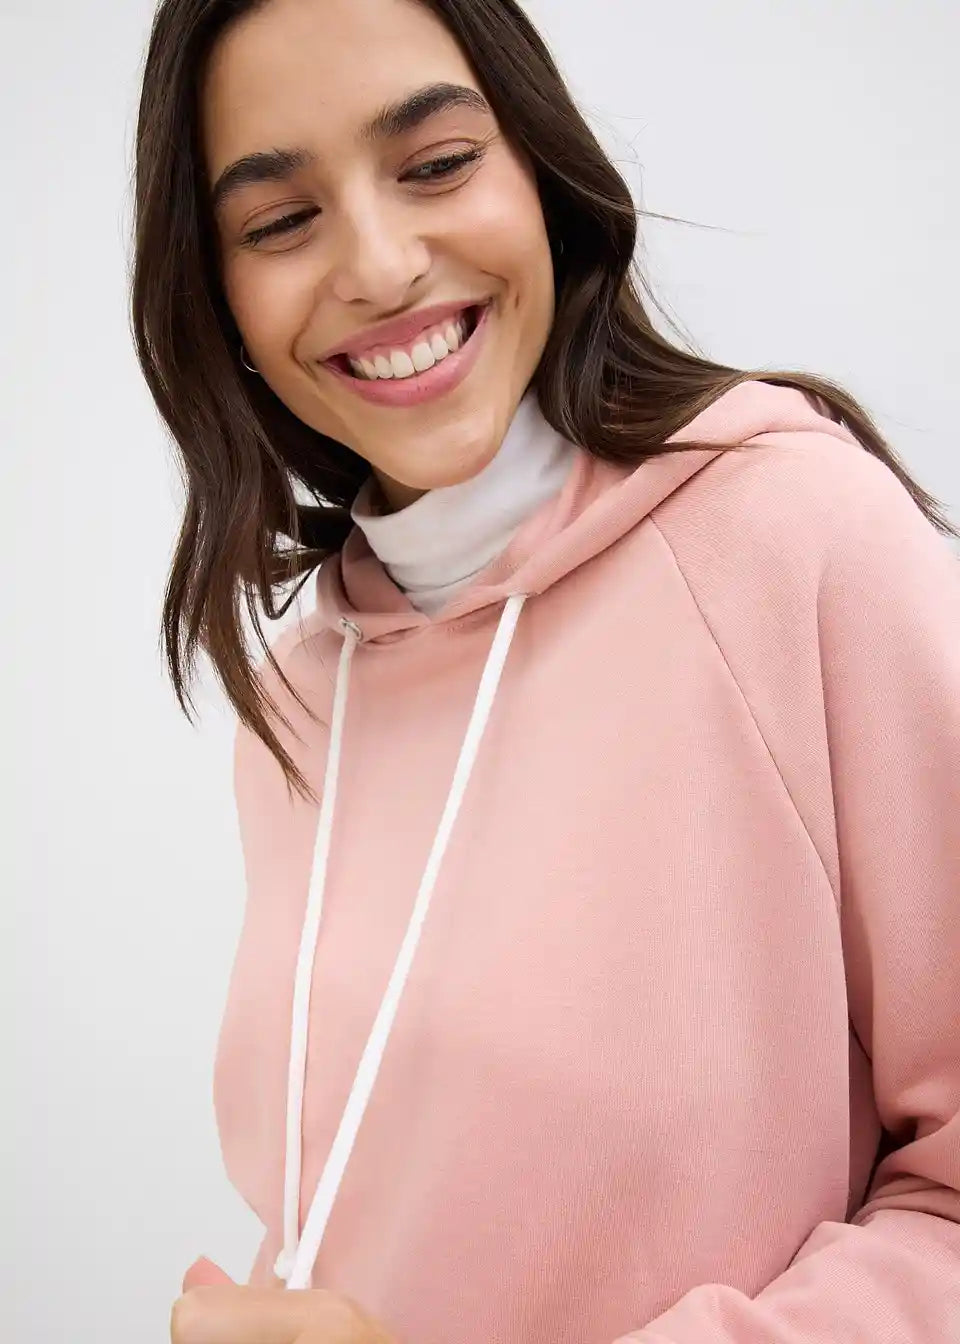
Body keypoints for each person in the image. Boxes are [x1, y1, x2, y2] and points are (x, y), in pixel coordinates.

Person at [130, 1, 960, 1341]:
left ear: (541, 173)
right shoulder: (300, 694)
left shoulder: (794, 541)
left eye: (437, 164)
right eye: (280, 222)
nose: (380, 266)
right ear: (214, 292)